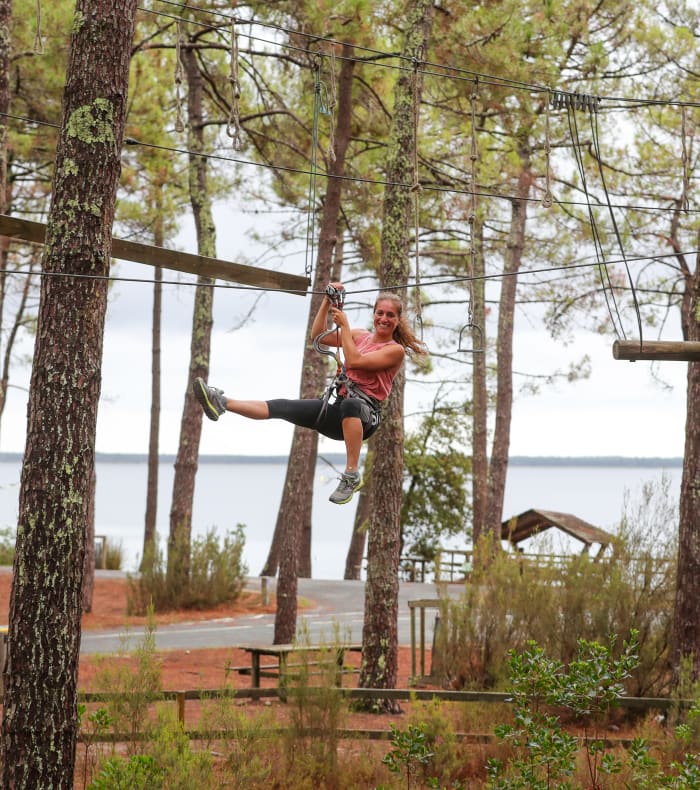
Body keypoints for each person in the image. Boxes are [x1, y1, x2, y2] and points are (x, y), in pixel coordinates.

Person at [193, 284, 427, 504]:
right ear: (374, 314)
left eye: (390, 315)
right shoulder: (359, 335)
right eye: (380, 313)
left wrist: (344, 326)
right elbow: (317, 336)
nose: (384, 319)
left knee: (351, 405)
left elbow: (356, 361)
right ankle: (221, 403)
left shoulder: (394, 350)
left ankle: (352, 473)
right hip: (337, 412)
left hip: (365, 417)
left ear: (397, 321)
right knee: (283, 407)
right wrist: (326, 302)